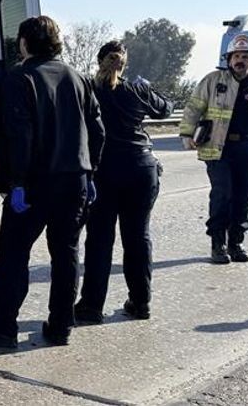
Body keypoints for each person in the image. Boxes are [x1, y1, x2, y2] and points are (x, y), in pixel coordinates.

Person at [0, 16, 104, 347]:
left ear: (24, 42)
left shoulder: (20, 79)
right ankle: (61, 326)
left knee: (15, 253)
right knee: (66, 254)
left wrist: (16, 182)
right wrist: (89, 172)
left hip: (33, 183)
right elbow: (97, 131)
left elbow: (20, 135)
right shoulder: (78, 78)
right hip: (74, 180)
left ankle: (5, 325)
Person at [76, 41, 173, 324]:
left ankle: (92, 306)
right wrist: (149, 87)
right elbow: (165, 108)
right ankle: (140, 302)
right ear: (124, 63)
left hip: (105, 170)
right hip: (141, 168)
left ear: (99, 61)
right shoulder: (137, 90)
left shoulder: (89, 90)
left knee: (99, 240)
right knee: (138, 237)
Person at [179, 34, 248, 263]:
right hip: (218, 149)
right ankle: (218, 244)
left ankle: (236, 242)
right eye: (236, 56)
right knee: (222, 194)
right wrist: (187, 133)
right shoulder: (213, 81)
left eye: (245, 56)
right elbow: (194, 107)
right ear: (229, 59)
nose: (240, 60)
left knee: (243, 197)